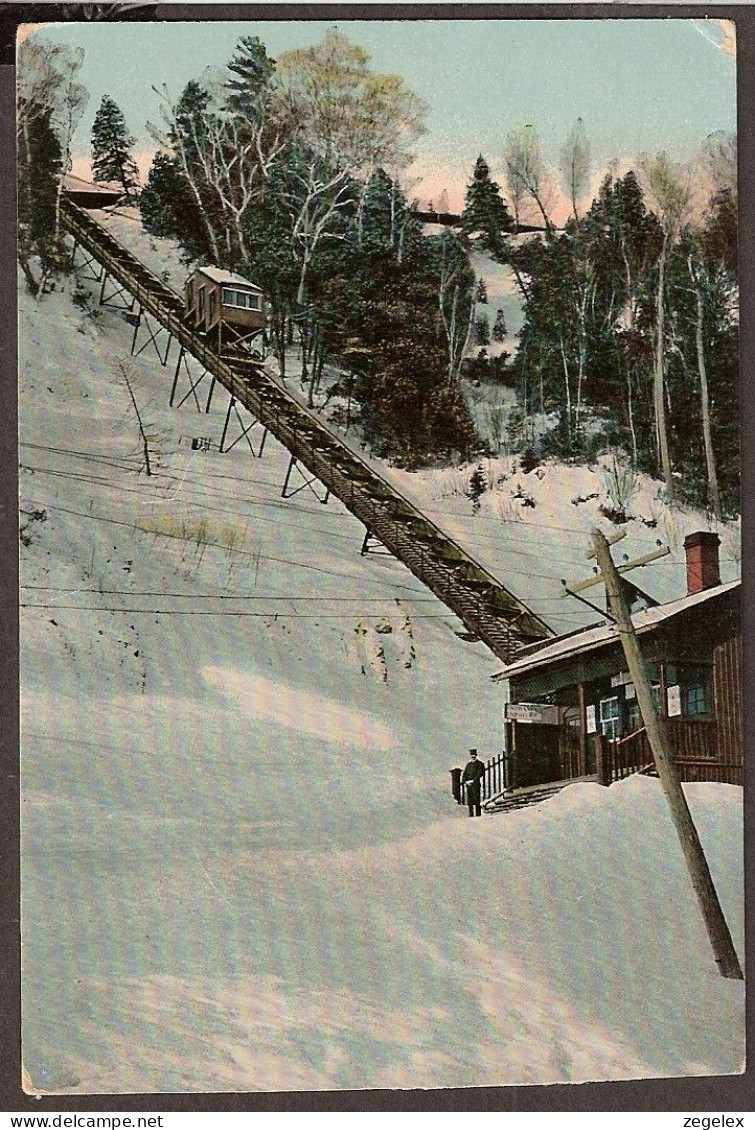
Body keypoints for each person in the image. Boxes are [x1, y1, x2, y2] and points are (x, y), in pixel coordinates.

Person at [462, 748, 485, 817]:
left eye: (474, 755)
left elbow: (480, 773)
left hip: (475, 784)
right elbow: (464, 773)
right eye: (472, 755)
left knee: (476, 799)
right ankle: (471, 814)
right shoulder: (468, 764)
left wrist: (473, 780)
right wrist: (465, 781)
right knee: (470, 800)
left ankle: (478, 814)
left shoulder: (480, 764)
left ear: (476, 755)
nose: (473, 757)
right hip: (469, 785)